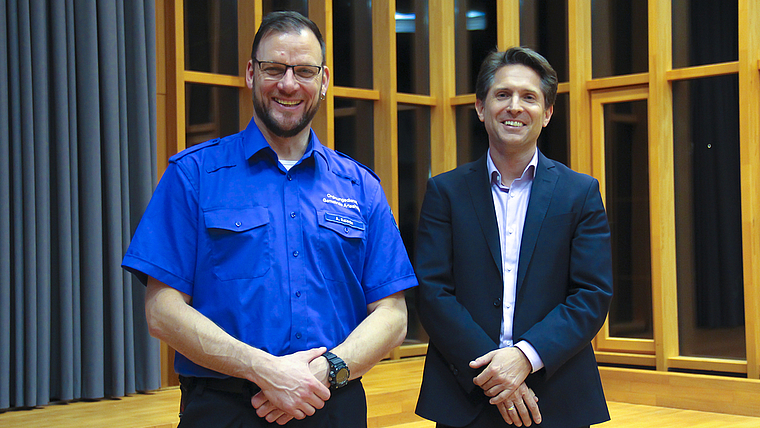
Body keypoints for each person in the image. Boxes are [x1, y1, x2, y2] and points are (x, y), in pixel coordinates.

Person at [122, 11, 417, 428]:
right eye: (274, 69)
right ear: (250, 73)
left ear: (325, 80)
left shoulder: (360, 186)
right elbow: (162, 310)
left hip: (332, 403)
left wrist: (324, 371)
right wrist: (264, 370)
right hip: (224, 409)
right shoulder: (194, 175)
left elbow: (392, 314)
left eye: (304, 71)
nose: (288, 84)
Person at [414, 47, 613, 428]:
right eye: (502, 95)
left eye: (529, 97)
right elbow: (433, 292)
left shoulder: (580, 192)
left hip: (555, 393)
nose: (514, 107)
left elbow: (592, 294)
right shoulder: (445, 191)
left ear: (548, 113)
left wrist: (524, 357)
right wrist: (495, 372)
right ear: (480, 107)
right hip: (465, 391)